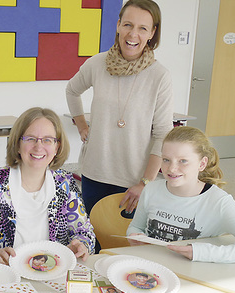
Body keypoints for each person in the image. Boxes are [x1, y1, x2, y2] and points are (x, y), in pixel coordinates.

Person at [66, 0, 173, 250]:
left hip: (133, 179)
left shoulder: (160, 76)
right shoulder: (97, 63)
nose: (133, 34)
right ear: (117, 25)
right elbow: (72, 90)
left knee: (125, 246)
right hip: (95, 172)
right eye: (127, 24)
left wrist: (144, 182)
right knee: (91, 242)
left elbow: (163, 134)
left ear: (152, 33)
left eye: (142, 28)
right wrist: (81, 124)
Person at [0, 107, 95, 264]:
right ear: (17, 144)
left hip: (52, 273)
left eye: (47, 140)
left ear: (57, 147)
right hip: (5, 275)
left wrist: (82, 244)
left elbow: (85, 232)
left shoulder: (65, 183)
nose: (39, 147)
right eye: (30, 139)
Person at [127, 126, 235, 263]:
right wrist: (135, 236)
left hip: (189, 276)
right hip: (149, 267)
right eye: (166, 160)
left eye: (183, 161)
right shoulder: (151, 190)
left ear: (202, 164)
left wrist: (202, 253)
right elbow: (136, 227)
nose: (171, 168)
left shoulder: (218, 202)